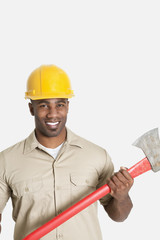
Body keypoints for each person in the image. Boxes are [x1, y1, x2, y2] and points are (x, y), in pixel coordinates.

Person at [0, 65, 134, 240]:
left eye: (60, 104)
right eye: (43, 105)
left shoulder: (96, 156)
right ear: (31, 108)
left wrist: (122, 197)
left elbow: (119, 216)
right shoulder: (7, 160)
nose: (53, 114)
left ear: (68, 106)